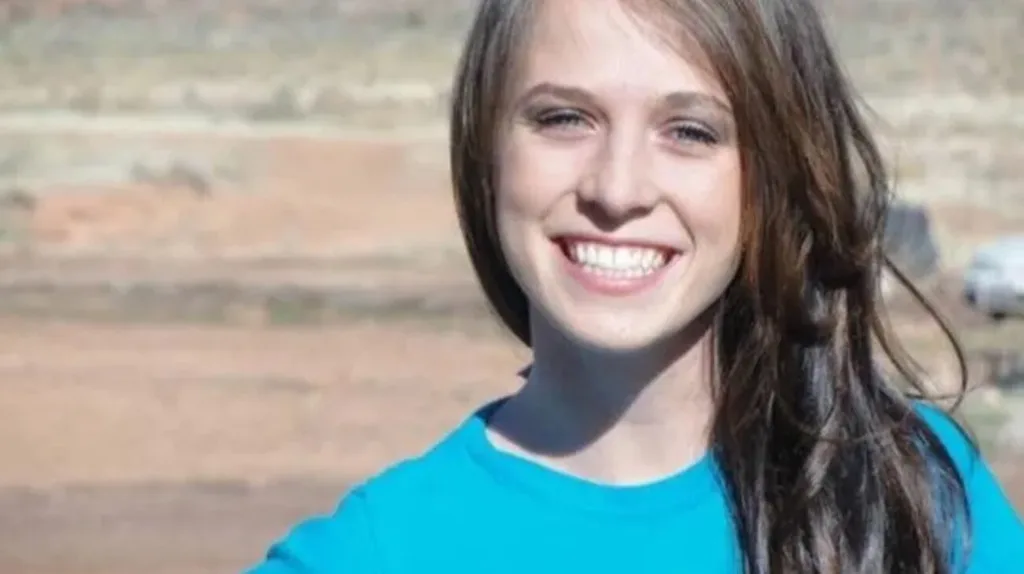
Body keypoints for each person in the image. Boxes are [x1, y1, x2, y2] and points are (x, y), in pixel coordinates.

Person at [246, 0, 1024, 572]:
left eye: (690, 131)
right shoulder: (377, 554)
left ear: (777, 176)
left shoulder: (912, 499)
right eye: (563, 118)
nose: (617, 190)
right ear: (487, 154)